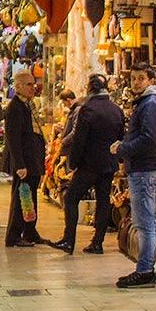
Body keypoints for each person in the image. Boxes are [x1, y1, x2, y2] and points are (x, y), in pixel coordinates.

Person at [111, 65, 156, 288]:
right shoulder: (148, 102)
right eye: (133, 78)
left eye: (141, 78)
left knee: (145, 223)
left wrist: (123, 148)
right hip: (142, 168)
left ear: (150, 80)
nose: (136, 83)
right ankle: (145, 269)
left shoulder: (152, 104)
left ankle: (146, 271)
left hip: (145, 170)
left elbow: (148, 139)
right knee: (143, 221)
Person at [50, 74, 124, 255]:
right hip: (108, 163)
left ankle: (69, 240)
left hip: (90, 164)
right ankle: (97, 242)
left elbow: (79, 139)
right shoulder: (116, 110)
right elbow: (121, 137)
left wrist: (72, 162)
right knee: (103, 200)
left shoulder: (87, 109)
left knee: (71, 197)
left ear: (90, 88)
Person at [3, 70, 47, 247]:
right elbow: (13, 138)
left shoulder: (29, 105)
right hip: (25, 162)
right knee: (21, 198)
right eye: (29, 84)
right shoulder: (15, 108)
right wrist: (20, 164)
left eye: (33, 83)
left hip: (33, 159)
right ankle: (13, 235)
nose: (33, 87)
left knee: (30, 197)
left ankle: (30, 231)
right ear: (18, 86)